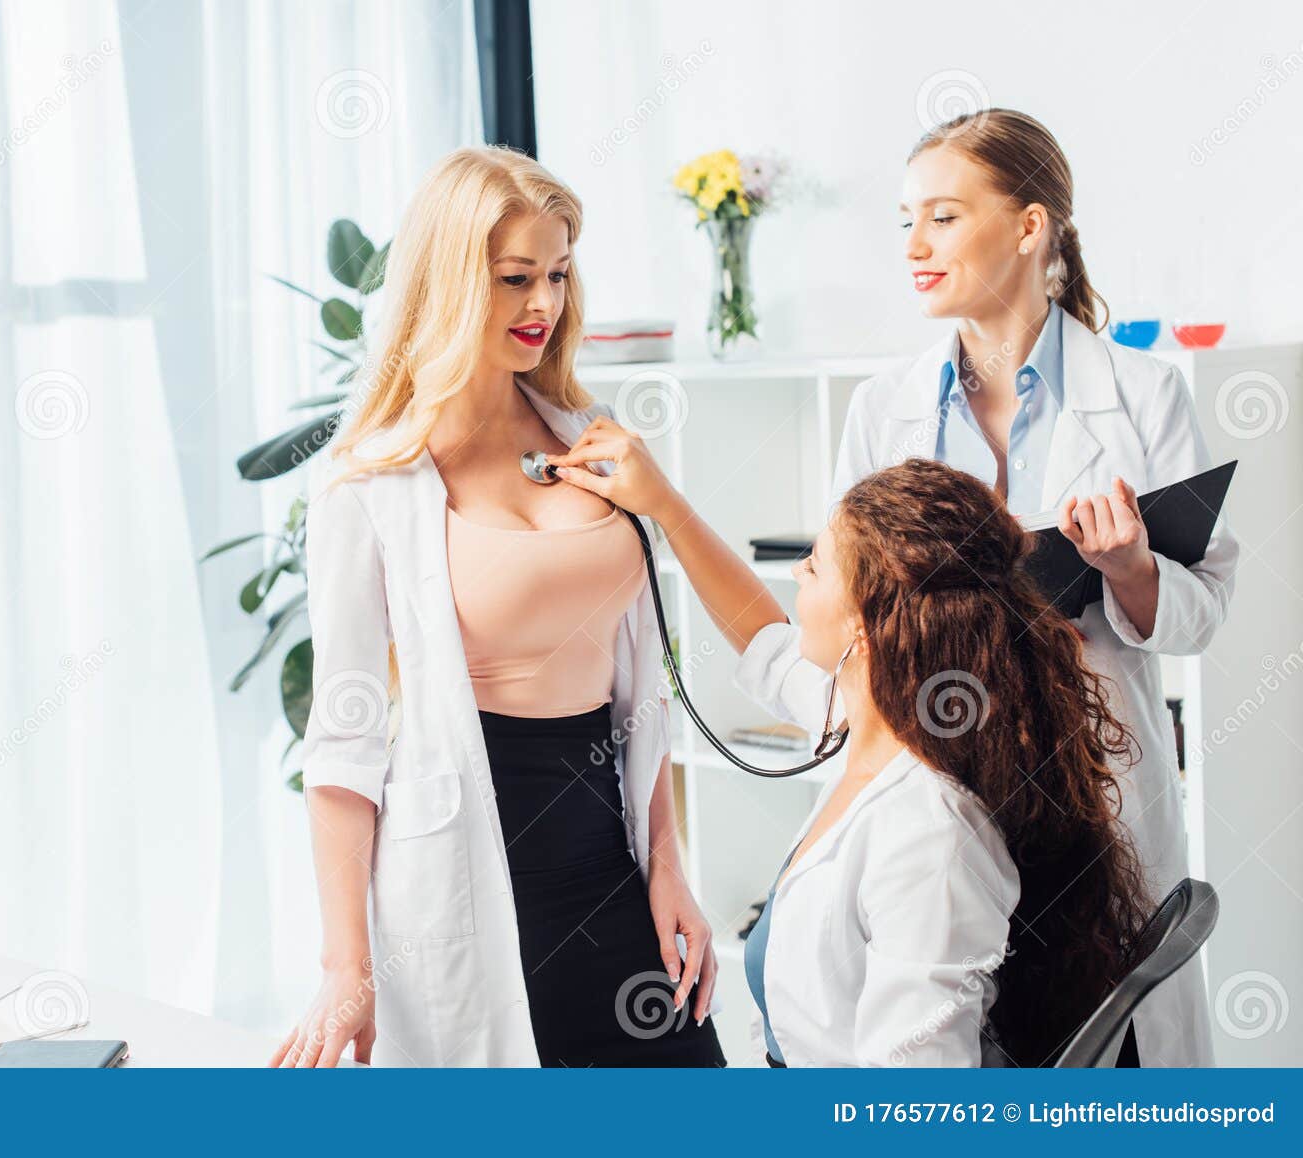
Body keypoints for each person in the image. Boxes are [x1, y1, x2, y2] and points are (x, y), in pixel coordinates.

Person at [270, 145, 723, 1068]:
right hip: (472, 878)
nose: (544, 305)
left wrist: (669, 866)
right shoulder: (371, 486)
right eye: (516, 278)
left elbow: (644, 699)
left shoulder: (589, 440)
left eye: (558, 273)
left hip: (611, 863)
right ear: (446, 282)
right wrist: (345, 965)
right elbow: (345, 743)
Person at [547, 442, 1153, 1066]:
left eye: (812, 565)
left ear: (864, 625)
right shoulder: (887, 719)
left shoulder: (929, 835)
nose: (795, 574)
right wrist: (666, 508)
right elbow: (762, 637)